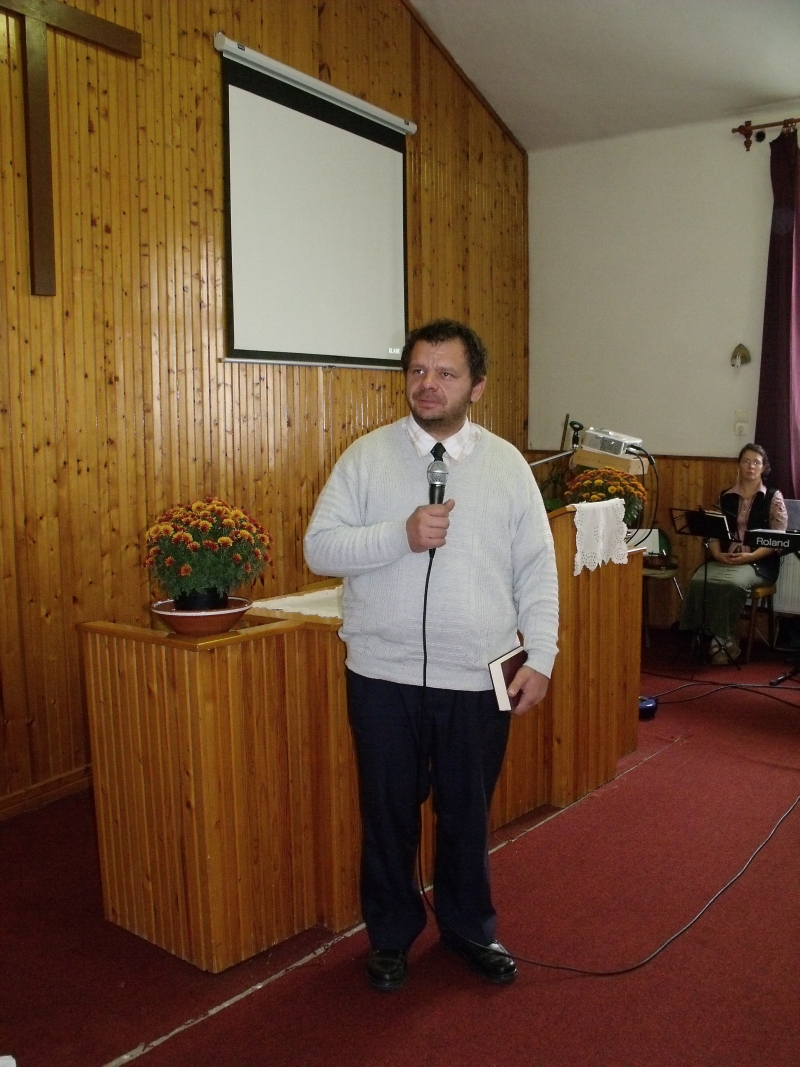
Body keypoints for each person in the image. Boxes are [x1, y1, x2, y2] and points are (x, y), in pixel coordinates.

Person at [304, 319, 559, 992]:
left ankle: (469, 928)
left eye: (446, 373)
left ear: (477, 386)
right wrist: (400, 535)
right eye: (418, 370)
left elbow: (537, 567)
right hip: (381, 676)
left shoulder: (507, 465)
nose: (428, 384)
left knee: (466, 816)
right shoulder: (365, 457)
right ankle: (390, 935)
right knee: (387, 814)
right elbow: (319, 548)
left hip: (478, 674)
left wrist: (543, 655)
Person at [679, 443, 787, 664]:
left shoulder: (773, 497)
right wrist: (718, 555)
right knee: (699, 580)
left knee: (732, 584)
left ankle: (720, 638)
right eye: (746, 461)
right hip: (725, 558)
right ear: (739, 465)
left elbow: (777, 539)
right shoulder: (725, 496)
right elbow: (712, 533)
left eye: (756, 462)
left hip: (758, 563)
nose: (751, 466)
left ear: (763, 467)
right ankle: (700, 634)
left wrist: (751, 557)